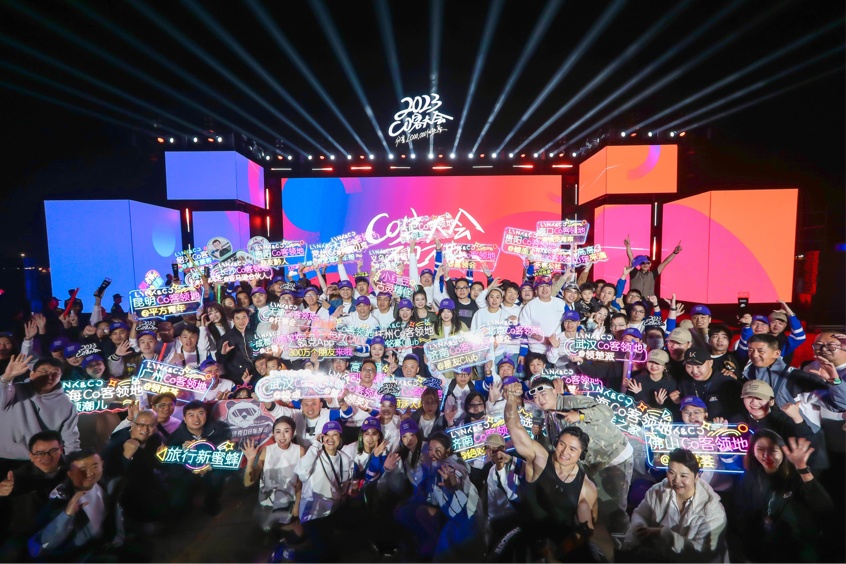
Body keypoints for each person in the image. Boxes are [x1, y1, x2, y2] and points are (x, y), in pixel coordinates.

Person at [502, 380, 599, 561]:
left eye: (572, 449)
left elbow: (586, 529)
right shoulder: (539, 457)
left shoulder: (586, 488)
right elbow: (514, 426)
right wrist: (511, 399)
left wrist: (557, 554)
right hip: (524, 535)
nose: (564, 452)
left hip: (560, 544)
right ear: (556, 443)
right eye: (562, 444)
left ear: (581, 454)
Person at [528, 376, 633, 535]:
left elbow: (607, 412)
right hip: (591, 465)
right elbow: (553, 446)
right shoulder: (549, 417)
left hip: (613, 457)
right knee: (598, 506)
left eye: (543, 394)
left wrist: (580, 415)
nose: (540, 400)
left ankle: (622, 542)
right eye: (535, 397)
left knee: (615, 509)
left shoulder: (572, 402)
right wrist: (539, 435)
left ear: (554, 391)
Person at [733, 431, 834, 562]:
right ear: (752, 451)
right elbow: (741, 516)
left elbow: (824, 506)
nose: (766, 455)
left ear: (783, 451)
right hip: (764, 550)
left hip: (800, 549)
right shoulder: (749, 478)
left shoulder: (798, 476)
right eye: (760, 449)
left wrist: (802, 468)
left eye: (773, 450)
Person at [620, 448, 728, 562]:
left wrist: (663, 535)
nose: (676, 480)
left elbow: (705, 553)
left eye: (683, 476)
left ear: (696, 476)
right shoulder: (657, 491)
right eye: (671, 473)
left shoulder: (713, 510)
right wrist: (639, 527)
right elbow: (640, 513)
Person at [29, 450, 126, 561]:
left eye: (95, 466)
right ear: (70, 474)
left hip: (107, 549)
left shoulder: (110, 487)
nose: (90, 473)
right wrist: (66, 515)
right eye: (83, 469)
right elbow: (46, 542)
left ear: (102, 465)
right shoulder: (59, 499)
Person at [0, 355, 79, 474]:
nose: (49, 377)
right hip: (3, 457)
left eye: (55, 373)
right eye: (44, 372)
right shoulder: (14, 390)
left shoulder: (66, 404)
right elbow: (2, 392)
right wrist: (6, 377)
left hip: (40, 461)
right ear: (31, 374)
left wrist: (73, 463)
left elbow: (70, 437)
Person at [0, 431, 68, 561]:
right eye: (40, 453)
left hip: (63, 527)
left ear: (61, 449)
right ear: (31, 456)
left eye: (53, 451)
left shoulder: (72, 469)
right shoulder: (18, 476)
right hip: (27, 532)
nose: (47, 457)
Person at [294, 420, 357, 561]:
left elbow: (344, 484)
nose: (330, 438)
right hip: (313, 513)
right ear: (322, 438)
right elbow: (301, 472)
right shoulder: (314, 455)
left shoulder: (345, 459)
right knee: (325, 554)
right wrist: (315, 445)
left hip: (333, 511)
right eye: (327, 435)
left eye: (335, 434)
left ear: (340, 438)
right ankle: (288, 554)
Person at [242, 416, 305, 545]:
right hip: (266, 505)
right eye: (278, 431)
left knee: (296, 538)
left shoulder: (299, 451)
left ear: (293, 432)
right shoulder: (267, 451)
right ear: (273, 434)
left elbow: (300, 481)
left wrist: (297, 505)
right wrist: (250, 461)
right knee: (263, 540)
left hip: (288, 504)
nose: (282, 436)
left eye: (286, 431)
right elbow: (248, 482)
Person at [101, 409, 167, 525]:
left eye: (150, 425)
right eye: (141, 425)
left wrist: (162, 458)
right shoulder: (116, 443)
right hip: (126, 490)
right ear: (133, 425)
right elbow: (110, 476)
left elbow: (156, 465)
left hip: (150, 484)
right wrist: (126, 457)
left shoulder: (156, 438)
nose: (145, 430)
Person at [166, 400, 232, 515]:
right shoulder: (176, 437)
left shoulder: (217, 430)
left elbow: (226, 452)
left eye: (200, 414)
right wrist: (185, 455)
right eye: (191, 415)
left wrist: (209, 449)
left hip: (211, 468)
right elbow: (172, 467)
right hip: (186, 472)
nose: (196, 419)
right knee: (178, 504)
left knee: (219, 474)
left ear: (206, 415)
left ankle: (211, 500)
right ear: (184, 418)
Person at [216, 307, 255, 385]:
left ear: (248, 319)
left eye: (244, 317)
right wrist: (223, 353)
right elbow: (219, 360)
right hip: (236, 378)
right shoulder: (226, 338)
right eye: (238, 318)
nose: (241, 321)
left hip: (253, 374)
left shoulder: (252, 334)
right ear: (233, 320)